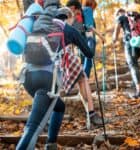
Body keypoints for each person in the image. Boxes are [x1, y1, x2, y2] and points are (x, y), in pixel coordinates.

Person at [16, 1, 101, 149]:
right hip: (46, 79)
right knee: (32, 128)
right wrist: (89, 38)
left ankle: (51, 144)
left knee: (59, 107)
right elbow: (89, 53)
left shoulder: (35, 22)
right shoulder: (66, 28)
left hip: (27, 77)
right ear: (66, 15)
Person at [55, 6, 107, 129]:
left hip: (47, 65)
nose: (74, 21)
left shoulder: (49, 25)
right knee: (83, 78)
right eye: (73, 18)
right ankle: (92, 115)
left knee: (80, 77)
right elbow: (89, 54)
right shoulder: (70, 29)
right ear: (69, 16)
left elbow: (85, 27)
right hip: (62, 63)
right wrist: (90, 39)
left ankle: (90, 117)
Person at [112, 8, 140, 98]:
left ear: (118, 13)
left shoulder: (121, 17)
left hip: (131, 42)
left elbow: (116, 33)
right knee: (132, 63)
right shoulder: (135, 16)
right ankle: (135, 84)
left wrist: (114, 40)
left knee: (132, 64)